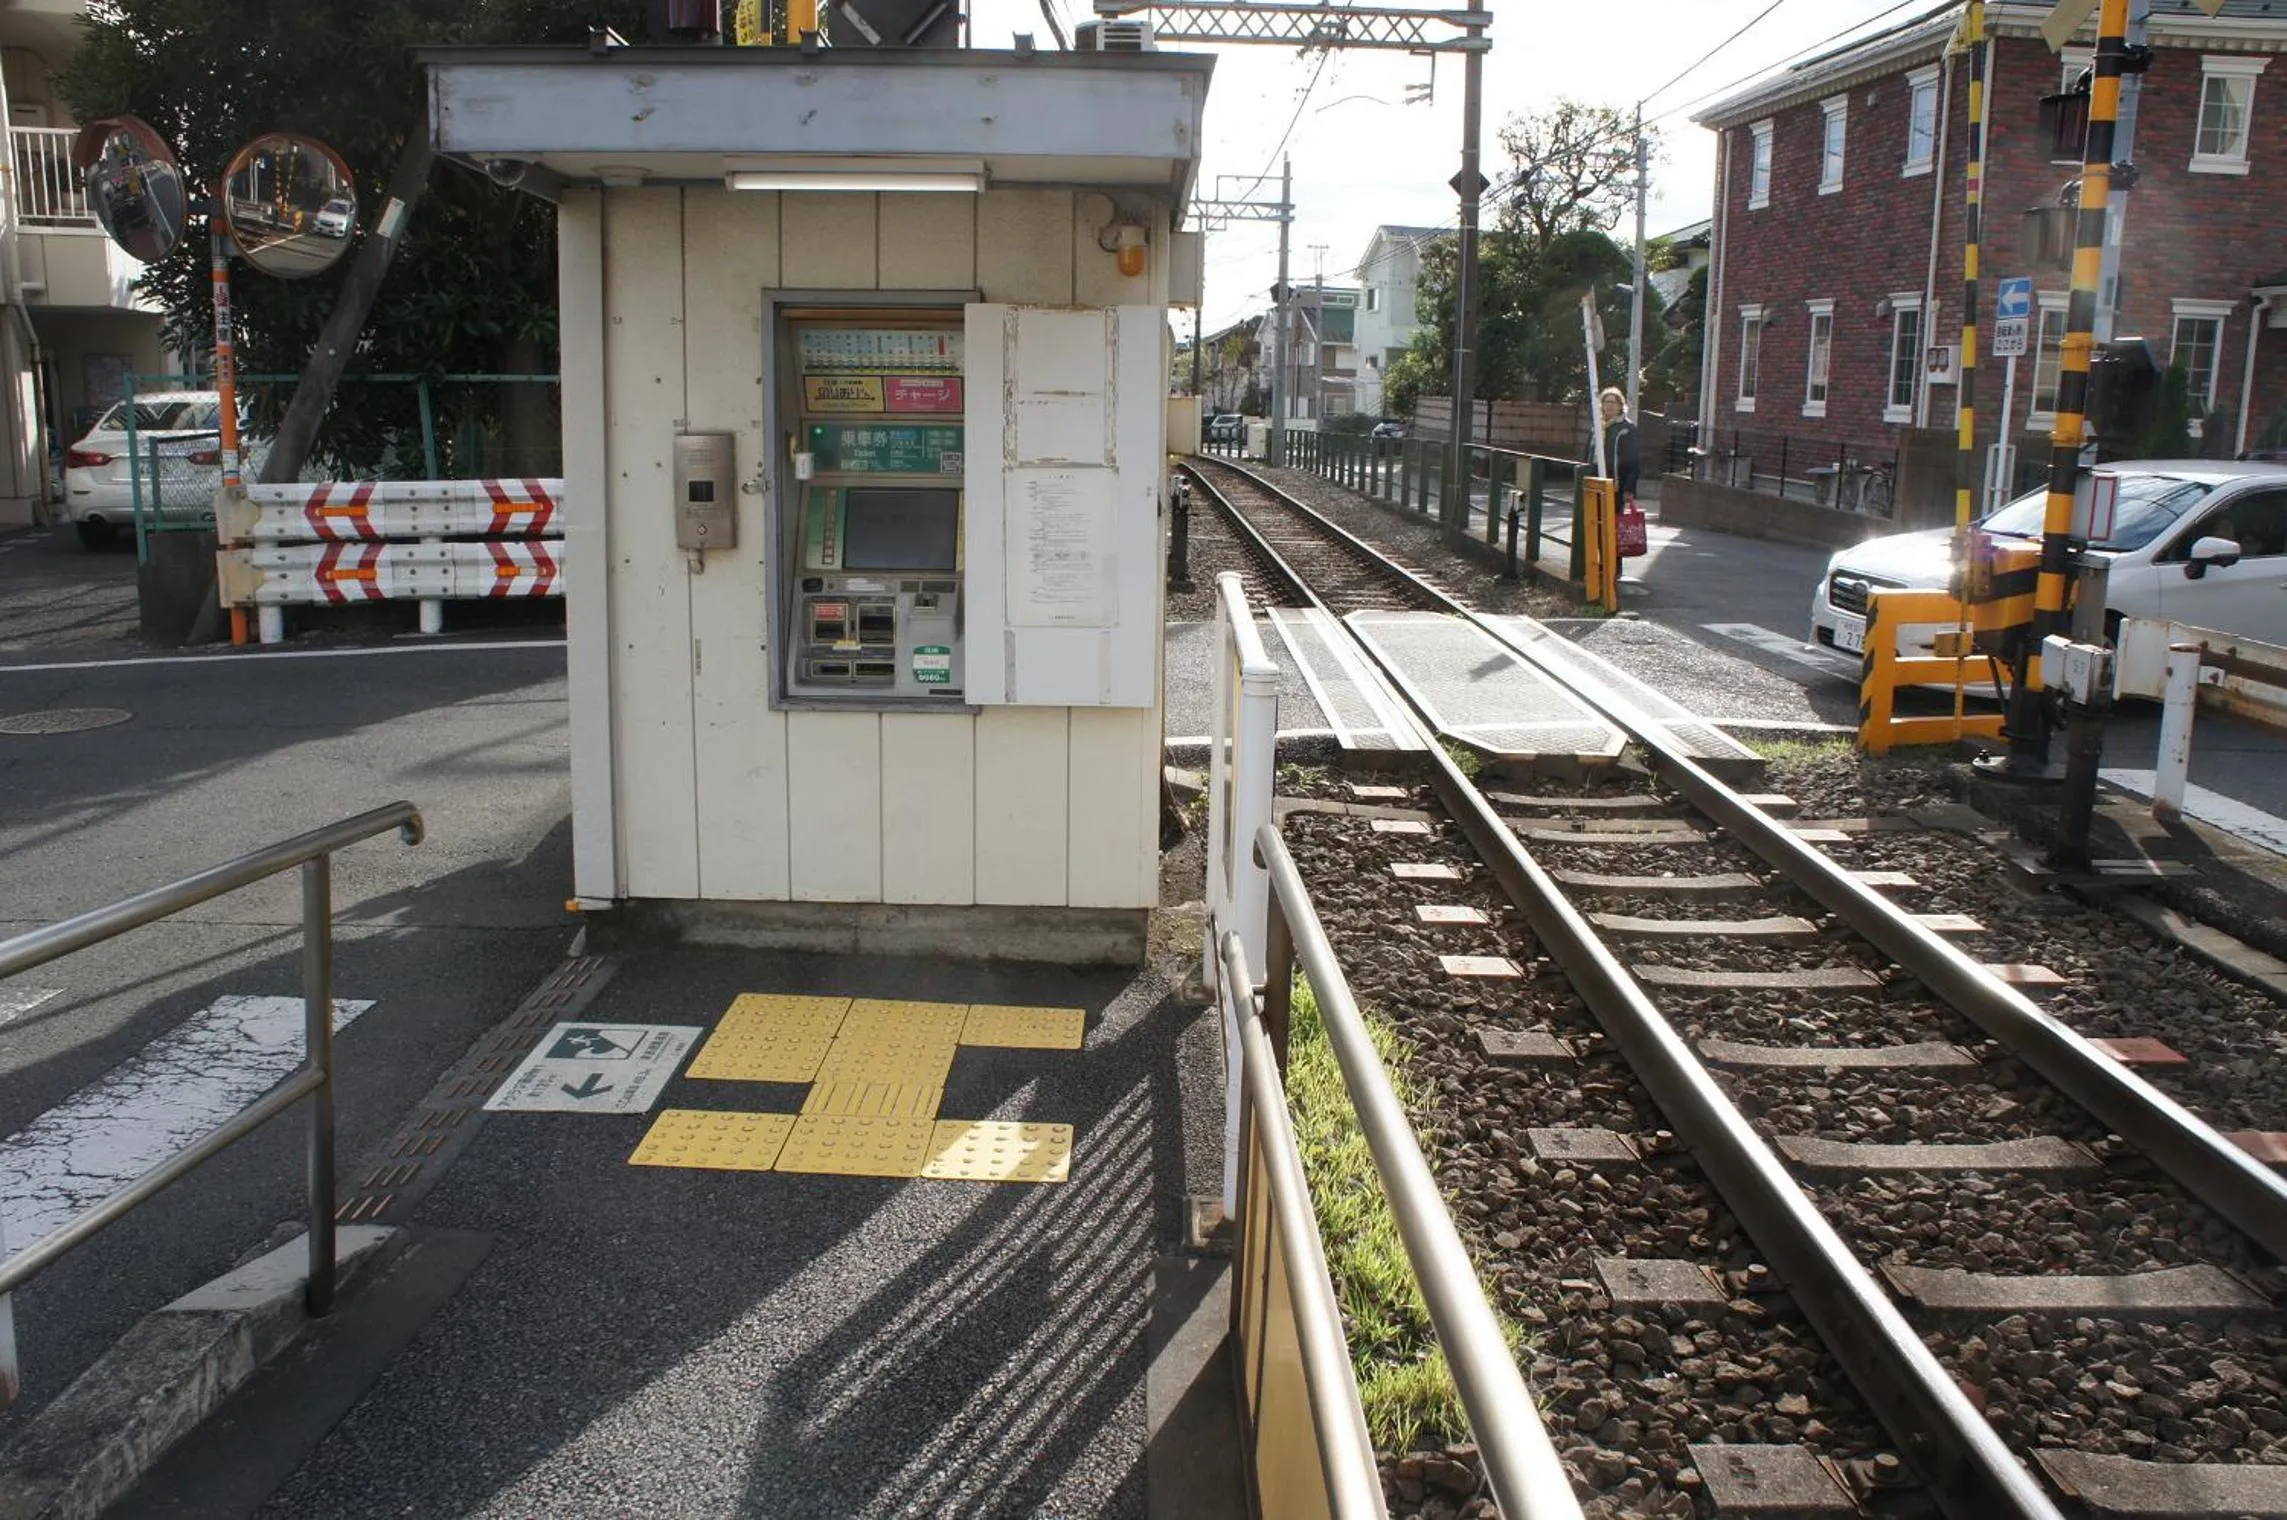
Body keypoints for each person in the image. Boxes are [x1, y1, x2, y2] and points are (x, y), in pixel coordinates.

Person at [1595, 387, 1640, 506]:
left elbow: (1633, 462)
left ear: (1620, 405)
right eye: (1606, 402)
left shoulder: (1627, 428)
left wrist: (1629, 489)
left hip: (1616, 484)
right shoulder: (1598, 427)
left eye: (1613, 402)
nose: (1609, 405)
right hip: (1595, 482)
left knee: (1612, 520)